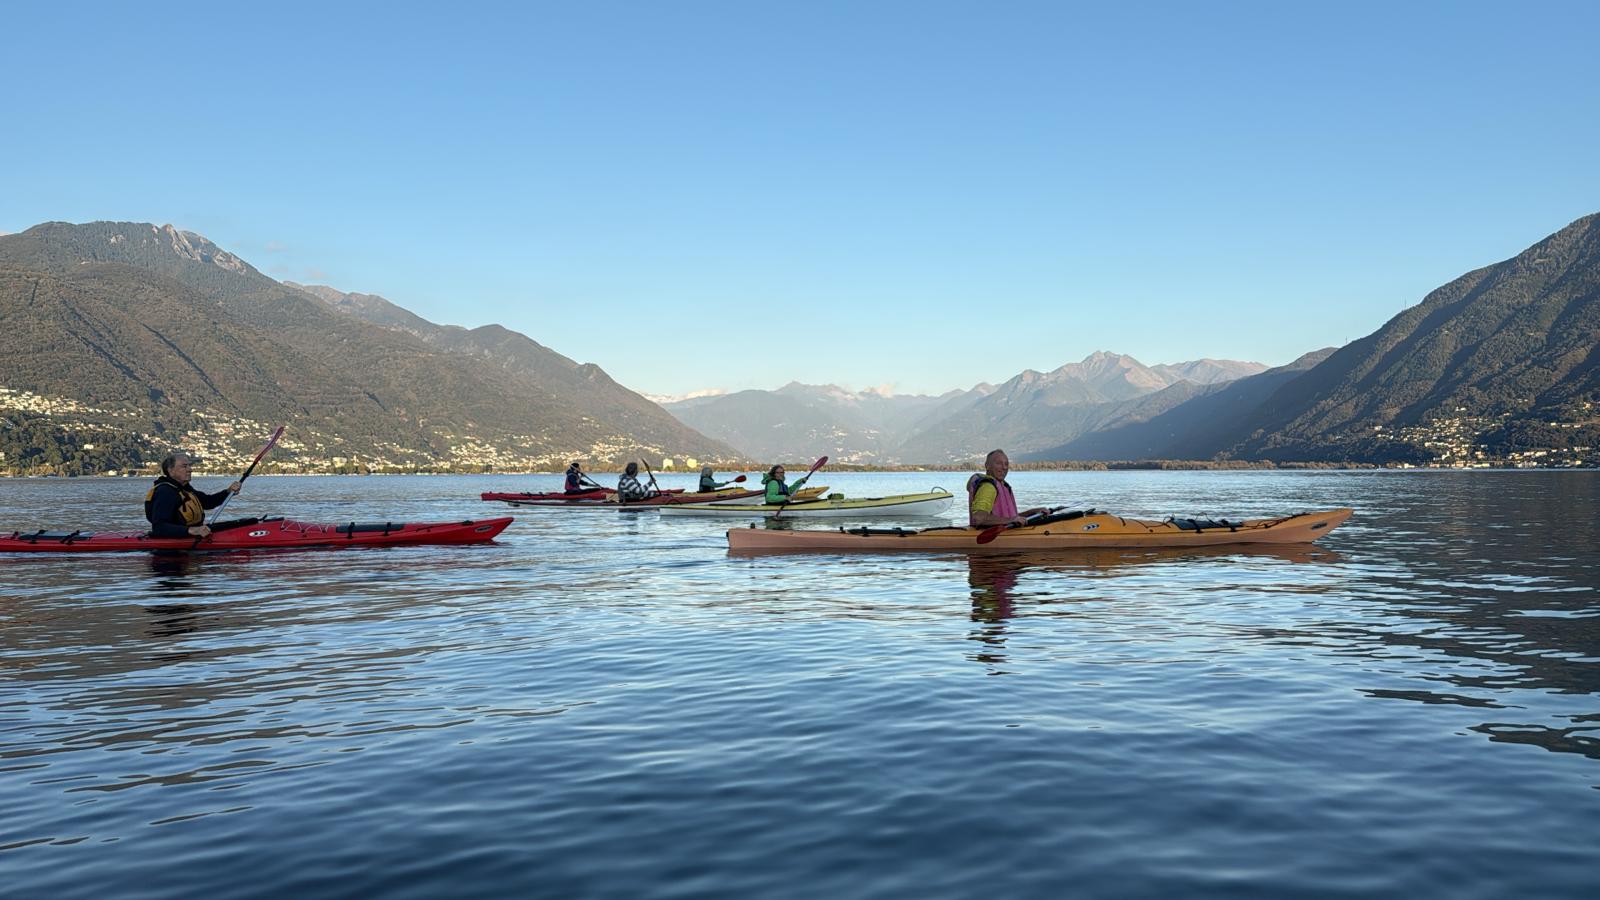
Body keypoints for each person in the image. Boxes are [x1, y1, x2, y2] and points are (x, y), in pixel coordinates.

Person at [144, 451, 242, 538]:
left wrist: (228, 491)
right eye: (184, 466)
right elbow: (159, 527)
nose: (190, 469)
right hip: (175, 546)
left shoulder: (184, 488)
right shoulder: (165, 492)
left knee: (244, 522)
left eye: (189, 466)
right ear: (171, 470)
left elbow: (208, 502)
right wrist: (192, 530)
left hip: (191, 534)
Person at [967, 449, 1047, 529]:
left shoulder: (1003, 486)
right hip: (990, 535)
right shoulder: (988, 487)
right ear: (987, 466)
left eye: (1006, 464)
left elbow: (1011, 518)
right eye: (999, 463)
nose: (1004, 467)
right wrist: (1011, 520)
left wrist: (1033, 512)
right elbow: (979, 518)